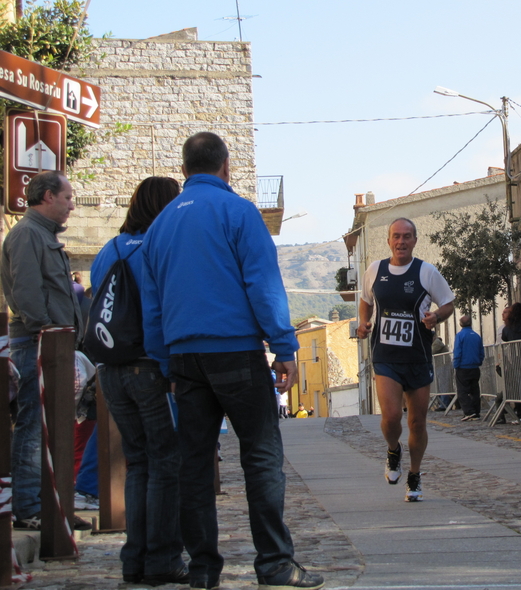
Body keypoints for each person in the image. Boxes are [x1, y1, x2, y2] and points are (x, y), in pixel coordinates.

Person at [140, 133, 322, 590]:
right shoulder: (239, 211)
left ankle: (202, 569)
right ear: (226, 166)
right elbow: (262, 283)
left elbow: (152, 303)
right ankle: (275, 565)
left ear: (184, 170)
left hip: (184, 356)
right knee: (261, 457)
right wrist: (284, 346)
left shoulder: (159, 226)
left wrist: (165, 362)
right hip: (235, 351)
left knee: (195, 464)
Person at [91, 176, 187, 585]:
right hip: (148, 367)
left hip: (110, 370)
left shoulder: (107, 250)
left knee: (137, 463)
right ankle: (163, 558)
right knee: (166, 462)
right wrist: (171, 369)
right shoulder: (158, 248)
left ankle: (134, 559)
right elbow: (161, 310)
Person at [1, 170, 85, 531]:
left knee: (55, 430)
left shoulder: (43, 235)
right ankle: (29, 507)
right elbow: (26, 292)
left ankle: (55, 507)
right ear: (48, 196)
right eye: (67, 198)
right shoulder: (26, 235)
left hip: (55, 346)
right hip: (37, 345)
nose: (71, 205)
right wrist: (47, 330)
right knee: (33, 428)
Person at [356, 217, 454, 502]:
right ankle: (393, 450)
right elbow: (365, 300)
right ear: (388, 240)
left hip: (418, 356)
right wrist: (364, 322)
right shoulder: (375, 270)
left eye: (407, 236)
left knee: (417, 423)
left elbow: (448, 303)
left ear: (414, 240)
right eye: (396, 236)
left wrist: (436, 315)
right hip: (386, 357)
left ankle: (415, 474)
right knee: (390, 417)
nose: (401, 241)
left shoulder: (426, 272)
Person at [452, 315, 484, 422]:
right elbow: (481, 351)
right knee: (475, 390)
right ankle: (476, 411)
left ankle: (469, 412)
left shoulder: (460, 335)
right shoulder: (476, 336)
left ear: (460, 324)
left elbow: (457, 351)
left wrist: (456, 365)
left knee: (462, 391)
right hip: (475, 367)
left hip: (463, 367)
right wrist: (479, 361)